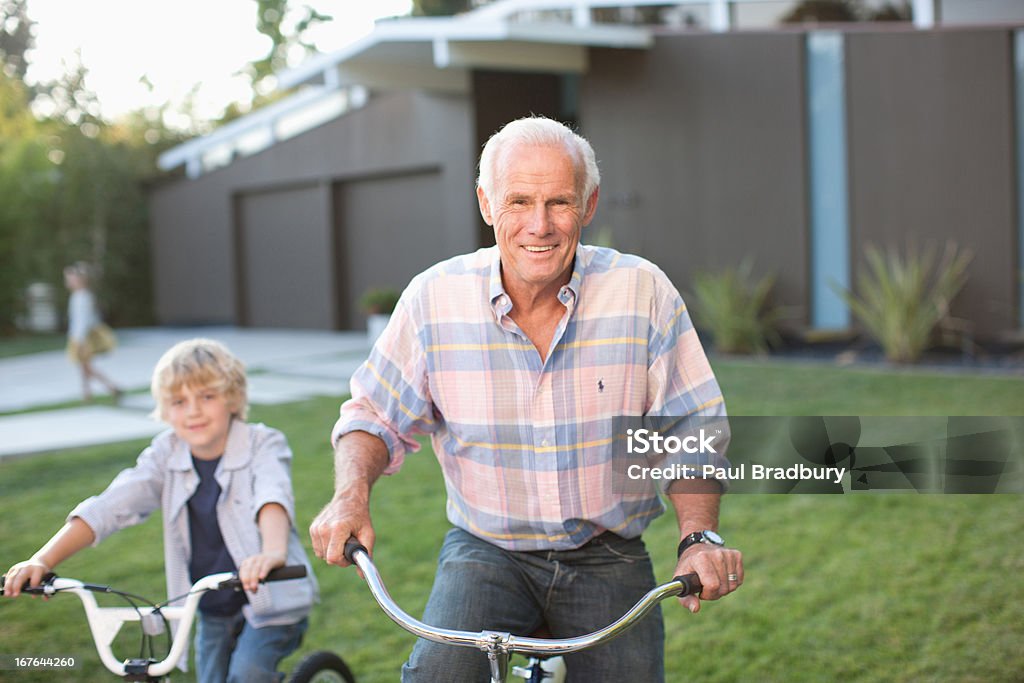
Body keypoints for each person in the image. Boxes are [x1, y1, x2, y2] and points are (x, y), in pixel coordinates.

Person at [309, 116, 743, 681]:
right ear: (486, 203)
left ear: (589, 205)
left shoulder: (642, 291)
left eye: (559, 202)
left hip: (607, 550)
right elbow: (372, 414)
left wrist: (698, 538)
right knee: (439, 675)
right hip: (486, 549)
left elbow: (692, 429)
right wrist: (349, 495)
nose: (539, 225)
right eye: (518, 201)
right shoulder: (433, 299)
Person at [3, 338, 318, 683]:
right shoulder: (165, 455)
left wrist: (272, 552)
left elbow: (272, 496)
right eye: (179, 401)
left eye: (207, 396)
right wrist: (43, 560)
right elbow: (111, 505)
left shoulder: (262, 444)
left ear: (233, 398)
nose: (193, 411)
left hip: (273, 601)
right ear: (165, 411)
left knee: (248, 674)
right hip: (210, 604)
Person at [63, 261, 121, 402]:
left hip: (83, 338)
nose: (68, 282)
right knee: (84, 366)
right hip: (79, 337)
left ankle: (112, 388)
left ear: (79, 280)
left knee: (86, 366)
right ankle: (87, 394)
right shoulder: (77, 296)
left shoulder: (82, 297)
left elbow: (83, 321)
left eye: (70, 279)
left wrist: (80, 340)